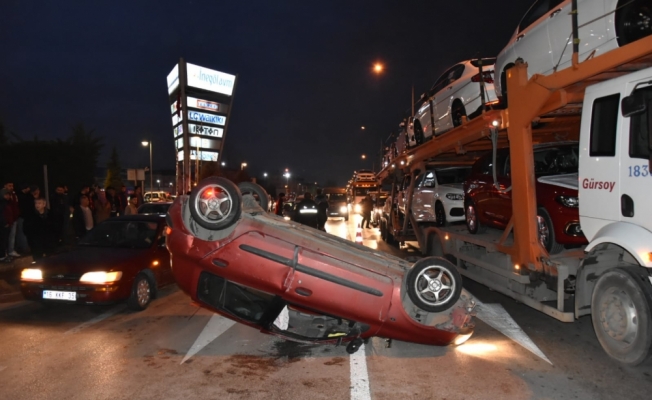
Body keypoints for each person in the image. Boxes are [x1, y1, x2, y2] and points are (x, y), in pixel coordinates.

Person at [3, 182, 20, 257]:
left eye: (12, 185)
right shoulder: (3, 197)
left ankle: (11, 250)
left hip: (13, 218)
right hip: (6, 220)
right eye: (9, 186)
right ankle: (5, 252)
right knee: (5, 237)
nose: (11, 187)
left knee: (12, 236)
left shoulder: (13, 194)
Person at [0, 189, 12, 261]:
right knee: (3, 240)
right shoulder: (2, 203)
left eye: (8, 195)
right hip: (3, 225)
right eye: (6, 195)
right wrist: (5, 223)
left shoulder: (7, 202)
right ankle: (2, 256)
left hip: (7, 224)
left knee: (5, 240)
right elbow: (1, 215)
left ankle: (4, 254)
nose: (7, 196)